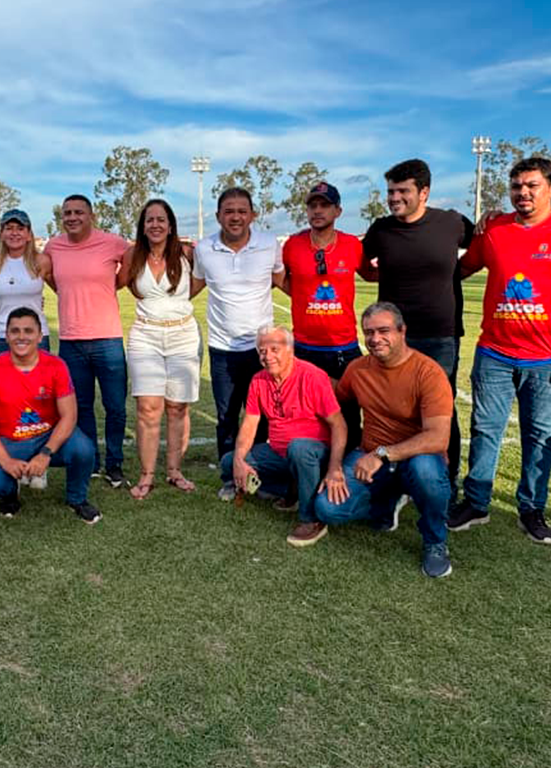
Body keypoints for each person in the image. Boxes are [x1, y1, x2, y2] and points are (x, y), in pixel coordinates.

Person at [448, 157, 551, 545]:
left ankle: (532, 508)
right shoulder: (494, 229)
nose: (523, 193)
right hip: (495, 354)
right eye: (517, 186)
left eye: (532, 185)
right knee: (485, 430)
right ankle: (476, 502)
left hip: (550, 359)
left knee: (540, 436)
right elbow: (458, 271)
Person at [312, 302, 456, 579]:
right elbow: (336, 394)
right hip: (370, 455)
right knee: (327, 508)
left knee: (426, 471)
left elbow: (438, 437)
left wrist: (381, 454)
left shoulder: (428, 372)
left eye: (383, 331)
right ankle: (387, 503)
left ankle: (435, 542)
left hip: (415, 457)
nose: (375, 339)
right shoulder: (359, 369)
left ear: (402, 331)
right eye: (369, 332)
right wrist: (298, 371)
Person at [360, 158, 473, 483]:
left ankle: (446, 479)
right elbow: (363, 265)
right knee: (392, 406)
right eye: (390, 191)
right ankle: (397, 477)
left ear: (424, 192)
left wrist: (455, 274)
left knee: (440, 410)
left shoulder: (451, 223)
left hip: (440, 337)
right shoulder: (381, 229)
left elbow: (484, 247)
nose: (394, 198)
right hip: (392, 338)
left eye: (402, 191)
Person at [0, 307, 102, 523]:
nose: (21, 337)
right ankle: (10, 492)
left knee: (84, 449)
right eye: (15, 331)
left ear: (40, 336)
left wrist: (46, 453)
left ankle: (77, 499)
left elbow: (69, 415)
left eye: (28, 331)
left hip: (48, 437)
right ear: (6, 336)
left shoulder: (56, 365)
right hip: (12, 440)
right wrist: (6, 461)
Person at [224, 322, 346, 546]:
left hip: (313, 452)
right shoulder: (259, 380)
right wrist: (240, 460)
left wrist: (334, 467)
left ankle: (311, 519)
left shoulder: (312, 376)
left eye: (274, 349)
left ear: (290, 350)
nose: (267, 356)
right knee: (228, 462)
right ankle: (293, 488)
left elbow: (339, 425)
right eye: (262, 351)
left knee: (299, 448)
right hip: (279, 451)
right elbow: (250, 423)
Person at [194, 185, 279, 498]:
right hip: (222, 350)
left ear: (252, 215)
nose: (235, 217)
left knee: (264, 416)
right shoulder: (204, 248)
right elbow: (194, 285)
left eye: (242, 211)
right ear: (218, 215)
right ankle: (230, 477)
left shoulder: (269, 245)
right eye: (229, 211)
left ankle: (261, 475)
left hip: (261, 351)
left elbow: (280, 281)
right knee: (227, 417)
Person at [44, 194, 130, 486]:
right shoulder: (53, 246)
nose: (72, 217)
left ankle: (115, 464)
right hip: (71, 342)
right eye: (67, 213)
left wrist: (113, 284)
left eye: (78, 212)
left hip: (108, 339)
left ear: (91, 216)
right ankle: (91, 461)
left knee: (115, 407)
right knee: (80, 407)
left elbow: (131, 263)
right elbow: (51, 278)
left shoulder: (113, 242)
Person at [118, 198, 201, 498]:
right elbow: (120, 283)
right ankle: (147, 475)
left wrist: (175, 308)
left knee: (177, 406)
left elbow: (199, 283)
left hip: (183, 335)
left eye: (160, 219)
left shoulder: (187, 253)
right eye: (149, 220)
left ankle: (174, 472)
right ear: (143, 226)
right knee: (148, 407)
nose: (155, 225)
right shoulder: (132, 255)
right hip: (145, 336)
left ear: (170, 225)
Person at [275, 180, 363, 380]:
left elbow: (370, 273)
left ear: (338, 211)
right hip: (304, 347)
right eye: (312, 206)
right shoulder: (293, 245)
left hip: (344, 346)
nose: (317, 211)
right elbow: (277, 276)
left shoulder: (352, 244)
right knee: (304, 401)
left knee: (348, 400)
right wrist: (301, 294)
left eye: (324, 205)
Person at [0, 208, 52, 353]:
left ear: (29, 235)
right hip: (3, 336)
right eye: (9, 228)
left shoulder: (41, 261)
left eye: (20, 228)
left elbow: (61, 290)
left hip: (36, 337)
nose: (14, 233)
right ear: (2, 234)